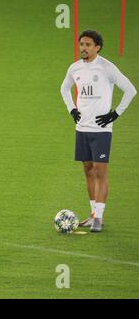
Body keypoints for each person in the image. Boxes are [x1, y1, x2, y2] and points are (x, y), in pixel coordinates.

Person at [60, 30, 136, 232]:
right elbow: (64, 88)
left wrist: (115, 114)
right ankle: (93, 214)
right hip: (81, 128)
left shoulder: (106, 68)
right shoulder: (74, 68)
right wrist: (72, 109)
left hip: (101, 131)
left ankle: (99, 219)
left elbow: (130, 89)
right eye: (81, 44)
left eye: (88, 45)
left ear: (97, 47)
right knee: (88, 171)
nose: (83, 48)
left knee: (100, 172)